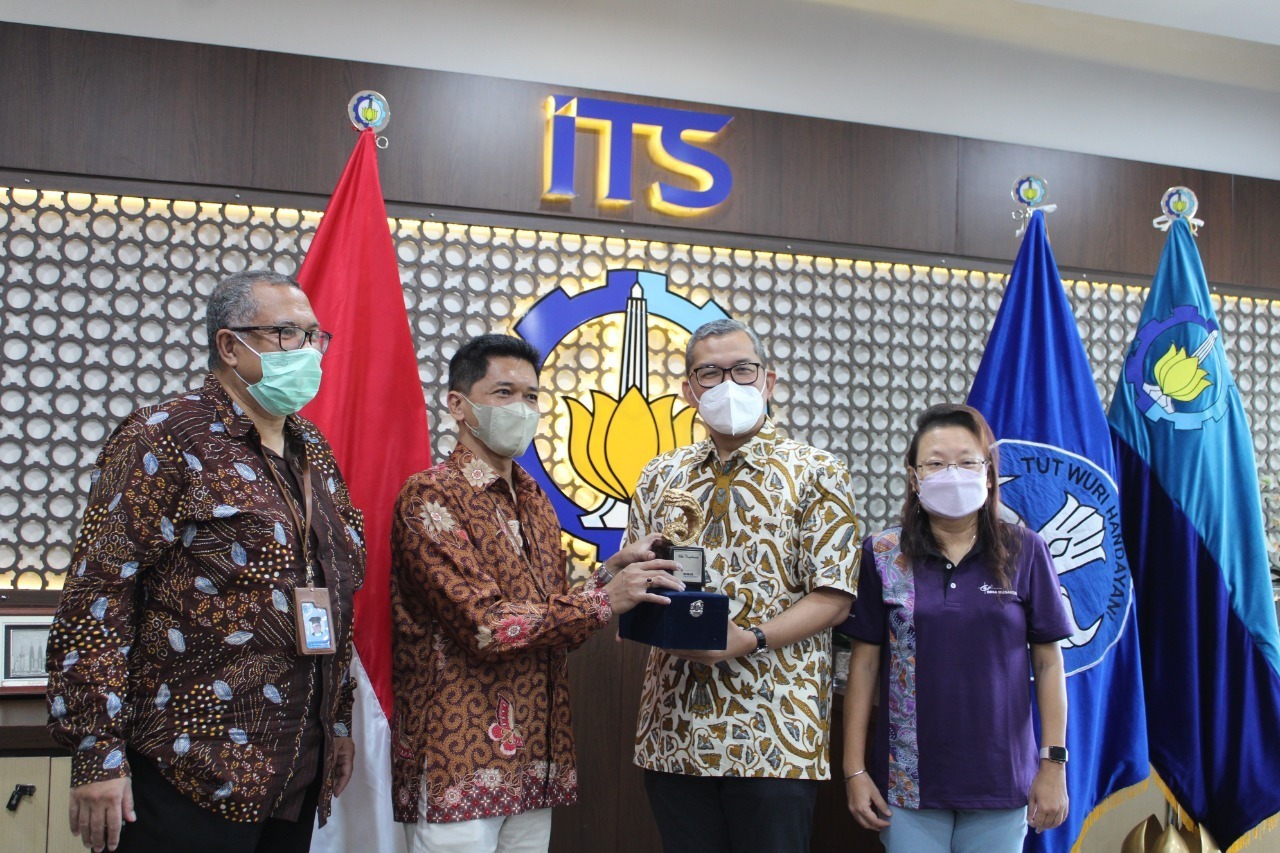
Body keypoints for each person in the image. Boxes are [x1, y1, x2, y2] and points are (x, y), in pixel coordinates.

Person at [45, 270, 365, 853]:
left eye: (316, 337)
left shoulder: (312, 448)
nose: (309, 353)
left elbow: (334, 591)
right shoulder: (165, 436)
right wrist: (97, 755)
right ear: (229, 345)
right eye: (288, 334)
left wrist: (336, 724)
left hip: (293, 766)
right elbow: (97, 599)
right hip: (187, 767)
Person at [390, 333, 683, 853]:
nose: (521, 408)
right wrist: (604, 599)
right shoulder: (430, 495)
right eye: (504, 393)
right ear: (458, 404)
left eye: (531, 396)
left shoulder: (534, 501)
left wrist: (606, 573)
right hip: (459, 760)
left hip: (534, 756)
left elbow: (546, 619)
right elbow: (487, 626)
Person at [624, 318, 861, 853]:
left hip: (774, 732)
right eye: (710, 373)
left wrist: (748, 639)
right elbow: (636, 577)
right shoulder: (661, 475)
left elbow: (835, 597)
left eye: (743, 369)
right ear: (688, 391)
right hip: (674, 730)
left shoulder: (817, 470)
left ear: (768, 381)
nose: (729, 383)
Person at [841, 403, 1071, 852]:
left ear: (988, 474)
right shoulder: (883, 553)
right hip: (907, 782)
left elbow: (1047, 665)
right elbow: (864, 667)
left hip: (1001, 778)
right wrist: (854, 770)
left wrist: (1053, 764)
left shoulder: (1024, 550)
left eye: (967, 462)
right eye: (936, 463)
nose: (952, 474)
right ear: (914, 476)